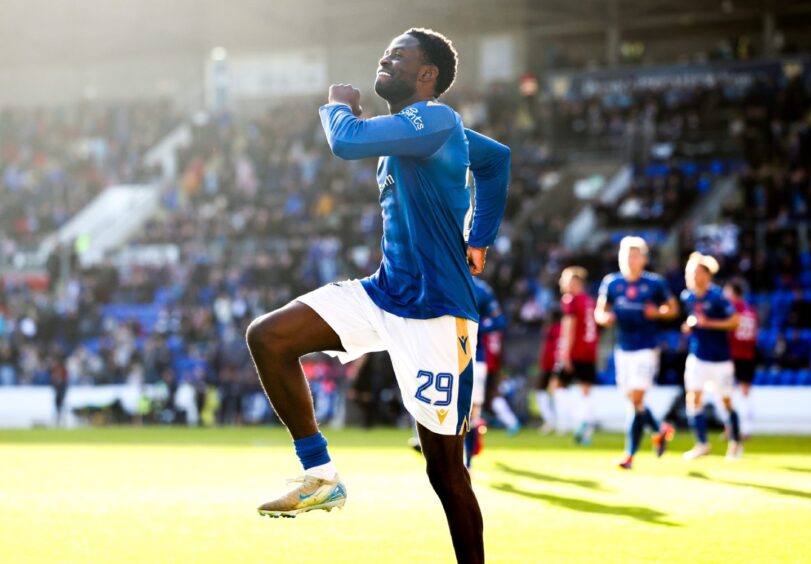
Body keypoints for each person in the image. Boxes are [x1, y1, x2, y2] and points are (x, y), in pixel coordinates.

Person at [246, 28, 509, 564]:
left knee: (445, 470)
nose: (384, 60)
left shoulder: (436, 118)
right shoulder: (417, 130)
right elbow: (496, 159)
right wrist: (479, 238)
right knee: (268, 336)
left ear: (427, 74)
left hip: (437, 314)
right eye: (385, 53)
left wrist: (338, 106)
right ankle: (319, 475)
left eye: (399, 55)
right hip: (384, 292)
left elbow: (346, 142)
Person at [594, 237, 678, 470]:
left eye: (634, 255)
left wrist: (658, 312)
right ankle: (660, 429)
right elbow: (599, 312)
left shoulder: (654, 283)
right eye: (626, 255)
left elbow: (673, 309)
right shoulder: (611, 283)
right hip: (623, 349)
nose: (630, 260)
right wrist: (605, 318)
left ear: (644, 259)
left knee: (637, 398)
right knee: (633, 401)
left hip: (646, 348)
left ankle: (629, 455)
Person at [681, 253, 742, 460]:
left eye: (695, 272)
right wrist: (690, 327)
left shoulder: (717, 296)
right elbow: (695, 320)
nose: (691, 276)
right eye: (689, 272)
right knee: (693, 398)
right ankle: (701, 444)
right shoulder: (687, 296)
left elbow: (735, 321)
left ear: (707, 275)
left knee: (725, 402)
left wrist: (711, 324)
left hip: (720, 358)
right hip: (698, 356)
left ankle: (735, 442)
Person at [465, 277, 509, 469]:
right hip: (445, 354)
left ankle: (468, 463)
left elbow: (500, 320)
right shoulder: (442, 280)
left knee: (473, 410)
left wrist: (478, 327)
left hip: (475, 356)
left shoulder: (481, 289)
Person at [557, 267, 599, 445]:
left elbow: (570, 327)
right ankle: (587, 430)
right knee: (586, 390)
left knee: (558, 386)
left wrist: (565, 353)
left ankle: (577, 421)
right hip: (590, 350)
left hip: (575, 350)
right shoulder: (591, 301)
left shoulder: (570, 300)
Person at [724, 280, 758, 439]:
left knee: (726, 392)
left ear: (733, 293)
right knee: (745, 392)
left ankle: (731, 428)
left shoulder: (732, 308)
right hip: (749, 354)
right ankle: (746, 429)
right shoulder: (750, 310)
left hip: (733, 353)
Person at [535, 308, 562, 434]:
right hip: (558, 363)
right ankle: (558, 422)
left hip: (549, 364)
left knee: (541, 390)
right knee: (556, 392)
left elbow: (545, 348)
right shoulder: (562, 328)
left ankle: (550, 420)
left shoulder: (550, 329)